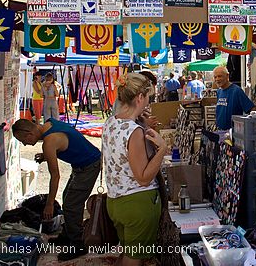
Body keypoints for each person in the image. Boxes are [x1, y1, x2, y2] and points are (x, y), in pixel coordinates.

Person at [11, 118, 101, 261]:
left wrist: (49, 204)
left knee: (72, 205)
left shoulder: (49, 142)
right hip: (82, 164)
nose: (24, 144)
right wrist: (46, 156)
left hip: (89, 165)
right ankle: (67, 235)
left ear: (29, 134)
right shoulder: (49, 124)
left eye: (22, 140)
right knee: (67, 197)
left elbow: (55, 176)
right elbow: (64, 144)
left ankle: (78, 244)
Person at [102, 73, 168, 265]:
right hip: (137, 202)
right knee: (134, 258)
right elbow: (144, 178)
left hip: (116, 200)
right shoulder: (134, 131)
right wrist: (162, 149)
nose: (149, 102)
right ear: (140, 98)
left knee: (128, 252)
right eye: (148, 97)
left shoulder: (111, 122)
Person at [213, 66, 254, 130]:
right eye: (215, 77)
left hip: (234, 133)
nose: (217, 79)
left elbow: (250, 109)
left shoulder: (237, 91)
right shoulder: (219, 91)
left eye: (220, 76)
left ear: (227, 76)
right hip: (220, 132)